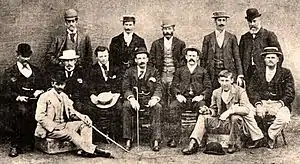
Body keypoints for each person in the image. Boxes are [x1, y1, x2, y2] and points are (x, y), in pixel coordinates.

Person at [182, 70, 264, 155]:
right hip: (220, 121)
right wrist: (208, 111)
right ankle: (193, 143)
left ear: (232, 80)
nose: (224, 84)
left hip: (234, 123)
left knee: (235, 117)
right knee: (202, 117)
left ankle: (232, 144)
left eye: (227, 81)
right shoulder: (216, 92)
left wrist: (230, 111)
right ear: (219, 81)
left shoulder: (240, 91)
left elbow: (246, 109)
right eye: (222, 81)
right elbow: (214, 109)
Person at [34, 71, 113, 158]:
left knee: (85, 124)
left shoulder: (64, 96)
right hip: (49, 130)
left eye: (62, 84)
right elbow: (39, 117)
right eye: (58, 84)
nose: (60, 87)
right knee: (70, 133)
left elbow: (72, 112)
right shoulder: (44, 96)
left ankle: (84, 150)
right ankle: (95, 150)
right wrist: (54, 126)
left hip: (63, 125)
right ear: (52, 83)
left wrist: (83, 117)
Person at [2, 43, 46, 157]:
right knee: (21, 111)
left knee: (38, 111)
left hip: (34, 101)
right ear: (17, 55)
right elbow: (4, 91)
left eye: (28, 56)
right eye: (23, 56)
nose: (26, 59)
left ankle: (31, 141)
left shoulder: (36, 71)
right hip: (16, 103)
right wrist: (17, 97)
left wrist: (39, 90)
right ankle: (15, 145)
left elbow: (44, 85)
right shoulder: (10, 72)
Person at [248, 47, 295, 149]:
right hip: (262, 102)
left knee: (283, 118)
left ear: (278, 59)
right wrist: (258, 104)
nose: (270, 59)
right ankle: (258, 137)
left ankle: (270, 136)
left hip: (279, 103)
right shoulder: (258, 72)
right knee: (247, 114)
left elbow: (290, 93)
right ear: (264, 59)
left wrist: (279, 104)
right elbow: (251, 90)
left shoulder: (286, 73)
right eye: (268, 57)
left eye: (273, 57)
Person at [167, 46, 212, 148]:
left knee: (202, 109)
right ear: (186, 57)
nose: (191, 58)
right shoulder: (180, 70)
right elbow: (173, 85)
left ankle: (199, 139)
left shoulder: (203, 71)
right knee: (173, 107)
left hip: (197, 99)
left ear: (197, 58)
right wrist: (178, 95)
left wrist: (201, 96)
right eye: (189, 56)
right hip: (183, 98)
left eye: (194, 56)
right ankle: (174, 138)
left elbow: (208, 87)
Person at [122, 47, 163, 151]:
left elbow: (159, 86)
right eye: (139, 58)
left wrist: (154, 98)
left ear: (147, 59)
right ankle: (128, 139)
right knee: (126, 106)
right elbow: (125, 88)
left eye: (144, 58)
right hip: (135, 98)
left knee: (157, 107)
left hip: (149, 99)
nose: (142, 61)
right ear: (135, 60)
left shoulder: (154, 71)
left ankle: (155, 140)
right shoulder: (130, 71)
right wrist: (131, 99)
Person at [149, 18, 186, 115]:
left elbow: (183, 62)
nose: (167, 31)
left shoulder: (180, 43)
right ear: (162, 30)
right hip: (161, 74)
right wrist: (153, 74)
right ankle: (162, 118)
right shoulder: (156, 44)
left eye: (169, 29)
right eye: (165, 29)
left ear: (174, 29)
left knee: (174, 96)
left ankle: (172, 120)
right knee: (161, 95)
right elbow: (151, 61)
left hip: (175, 74)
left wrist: (179, 74)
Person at [86, 46, 122, 141]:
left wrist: (116, 94)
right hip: (99, 97)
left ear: (108, 55)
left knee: (119, 107)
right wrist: (92, 95)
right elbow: (90, 85)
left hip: (114, 95)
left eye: (105, 56)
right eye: (101, 56)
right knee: (90, 108)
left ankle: (113, 133)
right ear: (97, 57)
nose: (104, 59)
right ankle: (98, 134)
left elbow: (120, 83)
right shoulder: (92, 69)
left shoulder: (116, 68)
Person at [239, 8, 282, 83]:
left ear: (259, 20)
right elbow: (239, 57)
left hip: (264, 73)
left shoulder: (269, 35)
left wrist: (273, 74)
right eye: (249, 21)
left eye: (254, 21)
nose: (252, 24)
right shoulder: (244, 37)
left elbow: (279, 56)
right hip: (248, 74)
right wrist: (241, 74)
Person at [202, 11, 243, 90]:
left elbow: (237, 57)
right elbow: (204, 58)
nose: (221, 23)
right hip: (212, 73)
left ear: (226, 22)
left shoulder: (232, 37)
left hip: (228, 72)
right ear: (215, 21)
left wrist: (240, 74)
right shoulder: (207, 38)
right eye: (219, 20)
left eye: (224, 20)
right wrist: (202, 75)